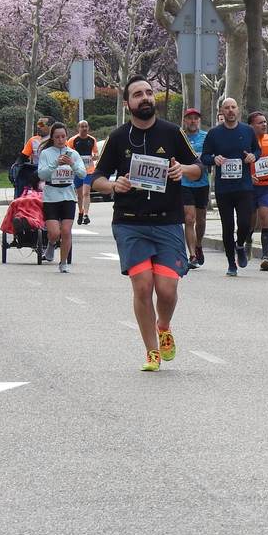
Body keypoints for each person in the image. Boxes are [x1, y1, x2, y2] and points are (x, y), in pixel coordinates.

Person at [91, 76, 202, 372]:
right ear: (128, 103)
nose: (145, 98)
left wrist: (182, 169)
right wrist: (115, 185)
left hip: (167, 223)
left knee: (166, 291)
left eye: (149, 93)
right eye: (138, 94)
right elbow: (97, 178)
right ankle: (151, 351)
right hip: (130, 223)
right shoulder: (117, 138)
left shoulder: (171, 132)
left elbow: (198, 167)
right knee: (143, 287)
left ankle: (163, 325)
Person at [201, 97, 260, 277]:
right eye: (227, 108)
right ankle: (230, 263)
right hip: (223, 188)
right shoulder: (214, 133)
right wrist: (214, 159)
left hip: (244, 186)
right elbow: (204, 157)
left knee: (244, 222)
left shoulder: (248, 131)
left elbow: (257, 150)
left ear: (238, 110)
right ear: (222, 111)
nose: (230, 111)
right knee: (227, 226)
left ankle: (240, 245)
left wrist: (253, 156)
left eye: (233, 107)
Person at [38, 122, 86, 272]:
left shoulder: (73, 153)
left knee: (66, 231)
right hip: (51, 196)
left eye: (63, 136)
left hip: (68, 195)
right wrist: (55, 164)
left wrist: (72, 164)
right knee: (54, 232)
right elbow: (41, 174)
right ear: (52, 138)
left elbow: (83, 174)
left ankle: (63, 263)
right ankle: (51, 244)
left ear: (66, 137)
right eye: (57, 137)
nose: (60, 140)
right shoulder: (46, 154)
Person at [247, 111, 268, 270]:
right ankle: (248, 240)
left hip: (267, 185)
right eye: (260, 122)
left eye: (265, 122)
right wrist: (247, 176)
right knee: (251, 220)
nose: (264, 125)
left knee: (265, 217)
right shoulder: (245, 140)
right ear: (251, 125)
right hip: (249, 187)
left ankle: (265, 256)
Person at [180, 108, 209, 268]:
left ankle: (198, 244)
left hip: (202, 183)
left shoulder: (206, 137)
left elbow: (210, 156)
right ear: (185, 120)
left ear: (199, 121)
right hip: (184, 184)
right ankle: (192, 255)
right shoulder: (180, 137)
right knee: (189, 218)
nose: (192, 121)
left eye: (195, 118)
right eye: (189, 118)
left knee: (201, 219)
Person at [67, 121, 98, 225]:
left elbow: (96, 153)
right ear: (78, 128)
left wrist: (95, 156)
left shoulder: (92, 140)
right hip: (77, 171)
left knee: (86, 193)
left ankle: (86, 215)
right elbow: (67, 154)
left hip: (89, 170)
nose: (84, 128)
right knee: (79, 195)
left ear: (88, 128)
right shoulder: (73, 140)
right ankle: (80, 212)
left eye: (86, 126)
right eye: (82, 127)